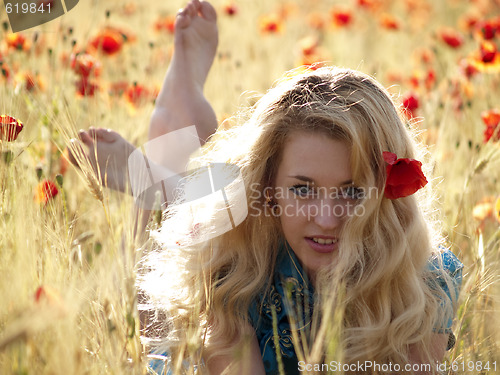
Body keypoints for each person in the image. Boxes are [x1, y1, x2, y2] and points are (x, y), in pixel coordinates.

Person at [71, 1, 463, 374]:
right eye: (303, 189)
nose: (327, 220)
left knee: (183, 218)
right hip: (227, 265)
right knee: (157, 305)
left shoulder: (425, 280)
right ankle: (166, 158)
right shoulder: (229, 264)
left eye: (352, 191)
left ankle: (165, 180)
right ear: (267, 184)